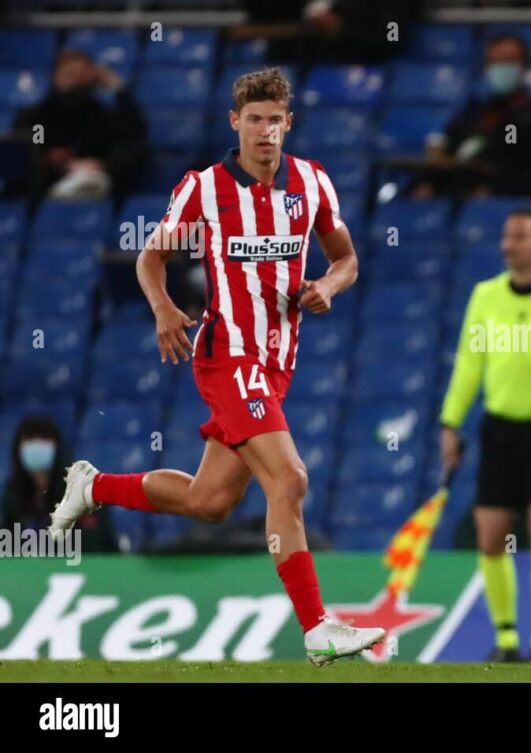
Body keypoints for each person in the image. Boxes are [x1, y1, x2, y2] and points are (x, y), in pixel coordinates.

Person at [47, 67, 384, 665]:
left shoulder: (312, 183)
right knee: (291, 479)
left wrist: (329, 286)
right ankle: (317, 626)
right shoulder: (205, 189)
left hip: (277, 362)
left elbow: (348, 259)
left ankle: (92, 485)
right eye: (253, 119)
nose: (263, 131)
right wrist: (164, 309)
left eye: (274, 120)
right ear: (236, 122)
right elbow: (149, 260)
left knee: (209, 503)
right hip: (227, 353)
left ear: (288, 123)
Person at [440, 208, 531, 662]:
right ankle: (505, 639)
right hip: (500, 429)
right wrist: (451, 422)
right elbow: (469, 363)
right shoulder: (485, 296)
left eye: (519, 236)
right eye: (505, 236)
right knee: (491, 535)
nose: (508, 244)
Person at [414, 33, 531, 199]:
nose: (501, 68)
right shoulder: (474, 113)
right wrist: (427, 183)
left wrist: (495, 190)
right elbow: (447, 154)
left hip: (506, 203)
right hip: (457, 196)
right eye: (494, 62)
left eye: (509, 61)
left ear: (524, 67)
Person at [13, 48, 147, 200]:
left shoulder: (101, 116)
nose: (74, 81)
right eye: (69, 74)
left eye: (81, 75)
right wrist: (52, 162)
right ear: (56, 77)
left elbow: (133, 138)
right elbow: (22, 156)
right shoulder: (35, 117)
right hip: (42, 189)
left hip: (93, 182)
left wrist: (119, 91)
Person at [2, 415, 115, 552]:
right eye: (29, 440)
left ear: (56, 445)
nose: (36, 445)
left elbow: (94, 544)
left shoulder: (80, 488)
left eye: (43, 439)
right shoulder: (12, 495)